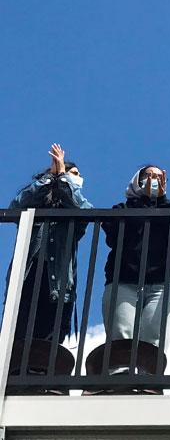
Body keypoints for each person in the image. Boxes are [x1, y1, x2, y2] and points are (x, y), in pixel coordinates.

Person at [101, 166, 170, 355]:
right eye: (149, 176)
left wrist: (161, 202)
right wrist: (144, 202)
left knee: (153, 342)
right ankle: (121, 382)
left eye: (158, 177)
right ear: (137, 181)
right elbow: (115, 234)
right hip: (123, 282)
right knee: (122, 340)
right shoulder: (122, 209)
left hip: (165, 284)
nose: (153, 180)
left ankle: (147, 383)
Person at [7, 144, 92, 343]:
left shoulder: (80, 205)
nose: (75, 177)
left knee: (49, 343)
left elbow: (82, 212)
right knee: (19, 337)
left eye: (76, 175)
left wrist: (63, 177)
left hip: (60, 283)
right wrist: (49, 178)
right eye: (73, 173)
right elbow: (16, 206)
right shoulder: (37, 203)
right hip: (29, 274)